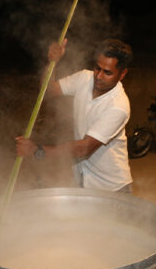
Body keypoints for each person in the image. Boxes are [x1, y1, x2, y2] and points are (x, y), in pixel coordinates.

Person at [16, 38, 134, 193]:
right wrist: (53, 62)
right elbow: (48, 90)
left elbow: (84, 148)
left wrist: (38, 151)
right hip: (82, 182)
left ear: (122, 73)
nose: (98, 76)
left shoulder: (118, 106)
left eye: (107, 72)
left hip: (111, 187)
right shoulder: (84, 78)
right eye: (97, 68)